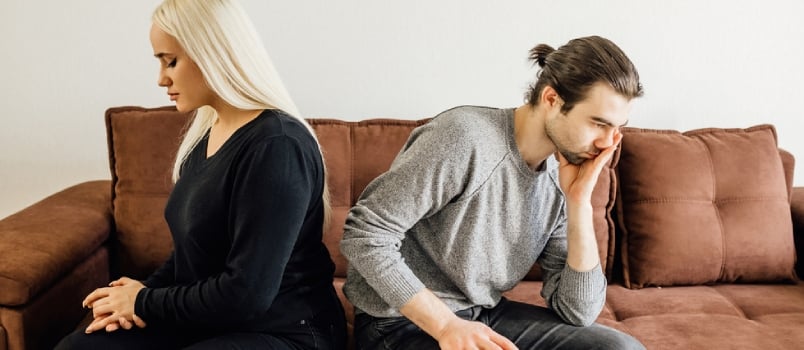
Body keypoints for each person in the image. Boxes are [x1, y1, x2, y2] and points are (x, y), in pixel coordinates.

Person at [56, 0, 346, 349]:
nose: (161, 78)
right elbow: (191, 255)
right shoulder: (206, 135)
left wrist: (143, 302)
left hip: (284, 330)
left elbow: (247, 294)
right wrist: (140, 292)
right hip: (209, 318)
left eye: (170, 61)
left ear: (212, 53)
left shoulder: (277, 146)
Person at [340, 35, 646, 350]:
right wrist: (446, 326)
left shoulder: (562, 174)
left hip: (483, 314)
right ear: (551, 99)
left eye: (617, 128)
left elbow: (578, 311)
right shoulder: (464, 138)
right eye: (598, 124)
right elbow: (365, 234)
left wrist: (579, 203)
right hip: (399, 323)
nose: (607, 143)